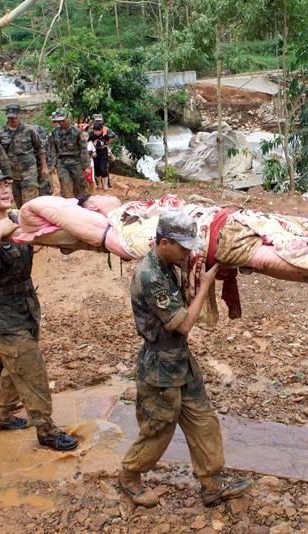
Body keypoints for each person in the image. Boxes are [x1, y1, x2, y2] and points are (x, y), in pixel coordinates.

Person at [118, 210, 250, 508]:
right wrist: (205, 285)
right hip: (160, 367)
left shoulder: (169, 264)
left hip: (181, 360)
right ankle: (129, 477)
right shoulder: (151, 275)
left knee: (203, 420)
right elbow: (183, 324)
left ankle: (211, 484)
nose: (188, 251)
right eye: (183, 246)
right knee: (158, 429)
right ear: (164, 243)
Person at [0, 168, 78, 451]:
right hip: (3, 311)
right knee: (31, 369)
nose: (5, 190)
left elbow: (46, 239)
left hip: (28, 303)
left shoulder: (17, 217)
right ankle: (46, 429)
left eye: (6, 184)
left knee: (16, 365)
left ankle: (0, 414)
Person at [0, 103, 47, 207]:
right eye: (10, 117)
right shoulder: (0, 133)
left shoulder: (29, 130)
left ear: (20, 114)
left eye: (14, 117)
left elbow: (40, 148)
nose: (12, 120)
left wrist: (44, 167)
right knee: (18, 204)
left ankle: (31, 222)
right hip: (12, 174)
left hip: (29, 173)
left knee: (30, 203)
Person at [49, 108, 88, 198]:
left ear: (67, 117)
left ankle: (82, 204)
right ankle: (69, 204)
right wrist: (53, 165)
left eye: (63, 120)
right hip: (62, 162)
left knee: (79, 185)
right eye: (59, 121)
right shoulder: (55, 132)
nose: (61, 123)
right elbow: (53, 150)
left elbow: (83, 149)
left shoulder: (76, 132)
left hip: (75, 161)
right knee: (65, 183)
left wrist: (86, 166)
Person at [89, 114, 115, 190]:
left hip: (104, 150)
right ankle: (99, 184)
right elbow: (87, 140)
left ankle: (107, 184)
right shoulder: (90, 130)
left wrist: (108, 143)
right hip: (94, 151)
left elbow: (112, 137)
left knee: (104, 167)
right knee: (96, 168)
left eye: (99, 121)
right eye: (96, 120)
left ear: (102, 121)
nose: (98, 122)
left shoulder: (106, 130)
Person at [33, 122, 55, 196]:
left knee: (45, 192)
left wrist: (49, 167)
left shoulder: (45, 143)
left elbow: (49, 155)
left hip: (43, 168)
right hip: (31, 170)